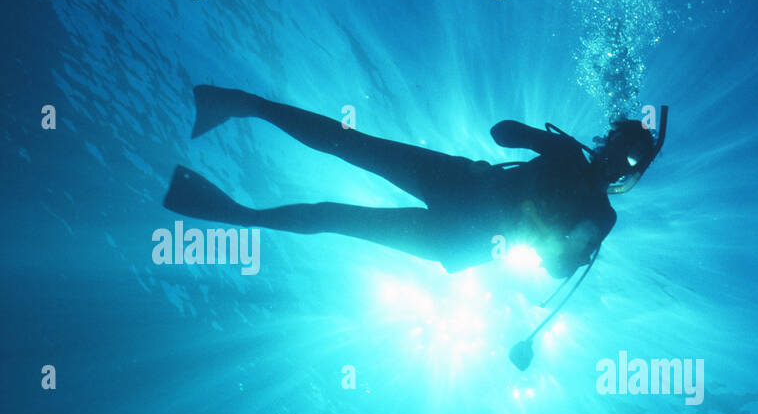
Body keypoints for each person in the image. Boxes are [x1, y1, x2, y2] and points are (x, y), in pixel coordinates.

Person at [162, 86, 667, 280]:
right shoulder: (569, 156)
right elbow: (501, 132)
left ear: (634, 171)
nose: (615, 161)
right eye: (616, 146)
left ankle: (235, 213)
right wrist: (549, 143)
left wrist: (572, 247)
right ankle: (245, 104)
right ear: (606, 142)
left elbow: (555, 272)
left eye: (629, 160)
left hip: (461, 232)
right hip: (461, 190)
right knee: (352, 144)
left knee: (336, 215)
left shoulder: (601, 216)